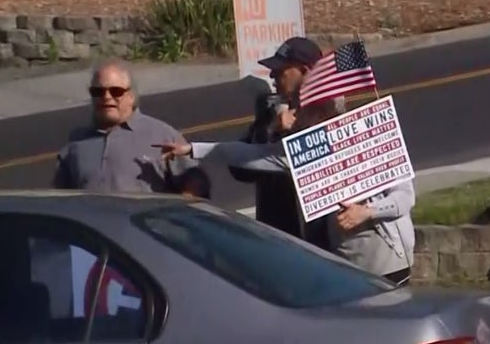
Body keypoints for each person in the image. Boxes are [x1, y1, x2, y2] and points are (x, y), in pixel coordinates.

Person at [157, 95, 418, 286]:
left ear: (320, 114)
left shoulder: (369, 138)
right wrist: (194, 150)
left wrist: (366, 212)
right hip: (346, 263)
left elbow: (406, 197)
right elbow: (252, 155)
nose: (295, 117)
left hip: (386, 261)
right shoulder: (307, 151)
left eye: (301, 111)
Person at [233, 36, 329, 247]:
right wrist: (270, 131)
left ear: (305, 70)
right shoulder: (272, 113)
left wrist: (296, 132)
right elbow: (240, 169)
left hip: (317, 240)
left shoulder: (330, 114)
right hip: (275, 236)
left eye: (281, 70)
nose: (272, 75)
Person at [53, 59, 195, 192]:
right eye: (98, 92)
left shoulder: (163, 136)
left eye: (116, 92)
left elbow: (196, 184)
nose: (106, 97)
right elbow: (61, 200)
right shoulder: (76, 143)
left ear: (131, 97)